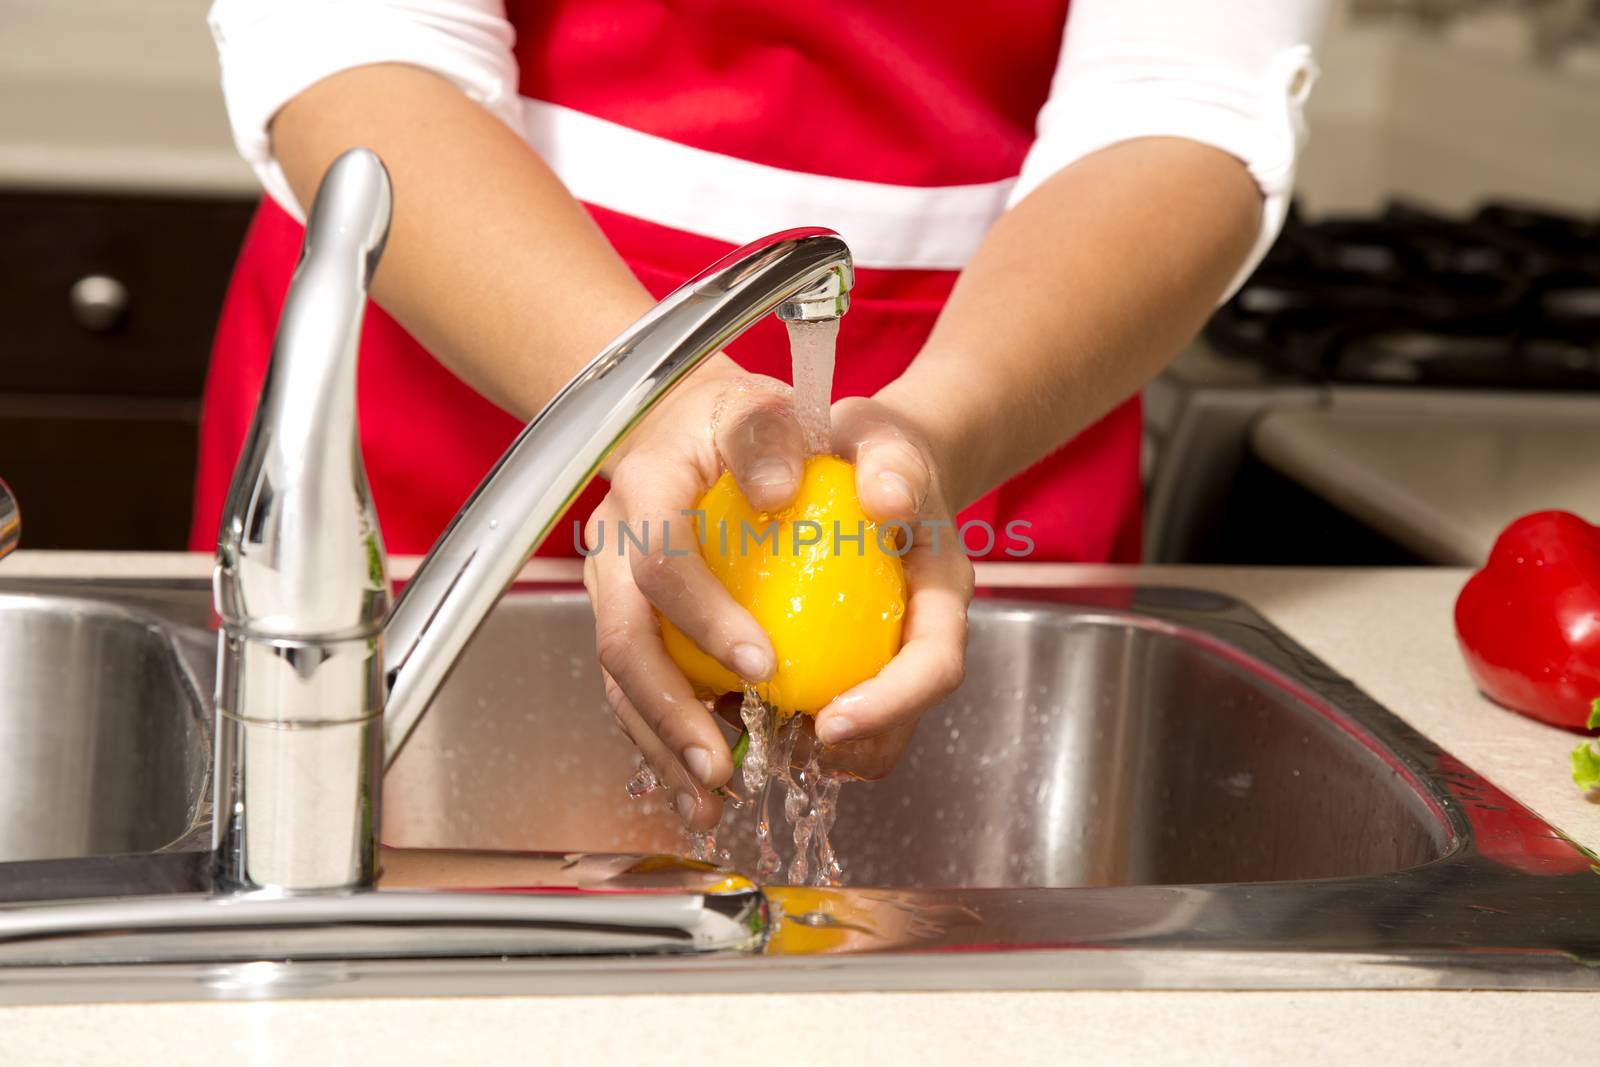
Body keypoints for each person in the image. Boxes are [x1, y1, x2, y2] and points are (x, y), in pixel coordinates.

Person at [196, 0, 1332, 830]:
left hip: (992, 380)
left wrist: (933, 434)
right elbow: (350, 45)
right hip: (462, 358)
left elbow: (1184, 104)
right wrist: (646, 402)